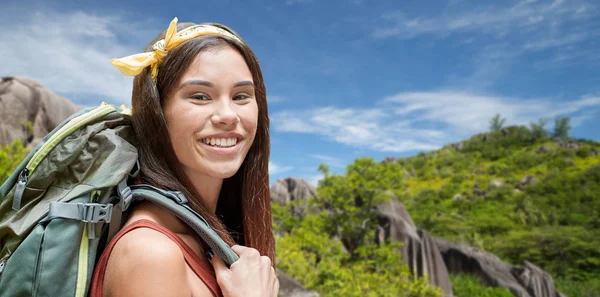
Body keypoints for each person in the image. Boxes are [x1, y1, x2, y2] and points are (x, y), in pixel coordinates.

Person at [89, 18, 278, 297]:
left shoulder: (205, 236)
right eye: (200, 96)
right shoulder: (151, 253)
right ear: (157, 113)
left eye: (241, 96)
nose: (228, 115)